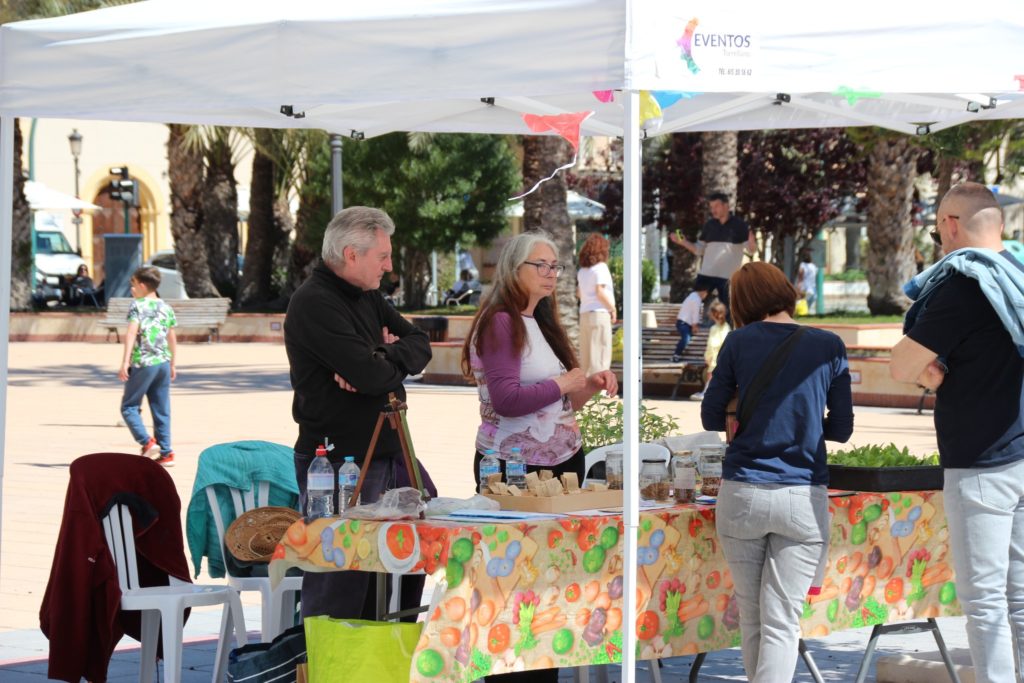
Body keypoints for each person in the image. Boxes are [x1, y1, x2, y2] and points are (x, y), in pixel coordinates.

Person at [461, 232, 617, 683]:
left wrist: (588, 386)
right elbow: (507, 400)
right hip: (513, 471)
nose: (551, 273)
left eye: (555, 266)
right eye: (541, 265)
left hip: (559, 466)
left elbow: (559, 403)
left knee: (546, 587)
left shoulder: (540, 322)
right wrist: (564, 383)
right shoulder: (501, 322)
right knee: (514, 586)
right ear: (515, 268)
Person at [890, 182, 1024, 683]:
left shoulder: (966, 284)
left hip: (981, 463)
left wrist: (930, 374)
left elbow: (902, 364)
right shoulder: (1017, 275)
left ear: (949, 224)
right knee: (1020, 599)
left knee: (984, 601)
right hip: (1021, 452)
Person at [701, 262, 853, 682]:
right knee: (782, 622)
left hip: (742, 493)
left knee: (753, 617)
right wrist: (803, 425)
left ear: (742, 302)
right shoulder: (830, 344)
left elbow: (711, 415)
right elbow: (842, 428)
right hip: (803, 496)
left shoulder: (737, 342)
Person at [284, 206, 436, 620]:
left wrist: (382, 354)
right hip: (338, 460)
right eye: (382, 256)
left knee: (412, 555)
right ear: (351, 255)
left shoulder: (368, 295)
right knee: (344, 579)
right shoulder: (314, 302)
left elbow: (420, 343)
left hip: (390, 450)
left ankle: (393, 646)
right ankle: (334, 656)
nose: (388, 267)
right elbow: (370, 376)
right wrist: (379, 365)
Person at [118, 265, 177, 467]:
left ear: (142, 285)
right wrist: (173, 363)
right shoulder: (166, 307)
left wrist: (125, 361)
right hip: (163, 362)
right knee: (161, 408)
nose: (132, 289)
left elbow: (131, 333)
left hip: (144, 362)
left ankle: (147, 442)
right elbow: (172, 337)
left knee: (129, 407)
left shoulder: (137, 305)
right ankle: (166, 453)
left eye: (133, 284)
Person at [669, 191, 756, 314]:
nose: (713, 210)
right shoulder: (709, 225)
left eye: (716, 206)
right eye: (711, 207)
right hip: (707, 274)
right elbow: (699, 250)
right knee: (693, 306)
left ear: (726, 206)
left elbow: (751, 250)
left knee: (728, 314)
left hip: (728, 278)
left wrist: (752, 243)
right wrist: (682, 242)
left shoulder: (740, 226)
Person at [576, 233, 617, 375]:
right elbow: (600, 292)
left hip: (584, 315)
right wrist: (612, 309)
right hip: (599, 314)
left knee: (586, 359)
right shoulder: (601, 268)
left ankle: (587, 387)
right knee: (600, 358)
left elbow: (579, 293)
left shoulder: (582, 271)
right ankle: (599, 387)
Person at [691, 300, 730, 400]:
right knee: (710, 375)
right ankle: (707, 392)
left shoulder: (724, 328)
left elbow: (716, 344)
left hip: (718, 358)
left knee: (711, 375)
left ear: (714, 314)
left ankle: (707, 393)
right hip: (714, 357)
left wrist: (710, 356)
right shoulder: (716, 327)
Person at [672, 283, 710, 363]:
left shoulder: (692, 296)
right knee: (686, 338)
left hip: (683, 322)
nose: (706, 295)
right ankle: (676, 355)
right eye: (707, 293)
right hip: (684, 323)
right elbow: (695, 314)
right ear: (704, 292)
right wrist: (694, 326)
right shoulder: (696, 300)